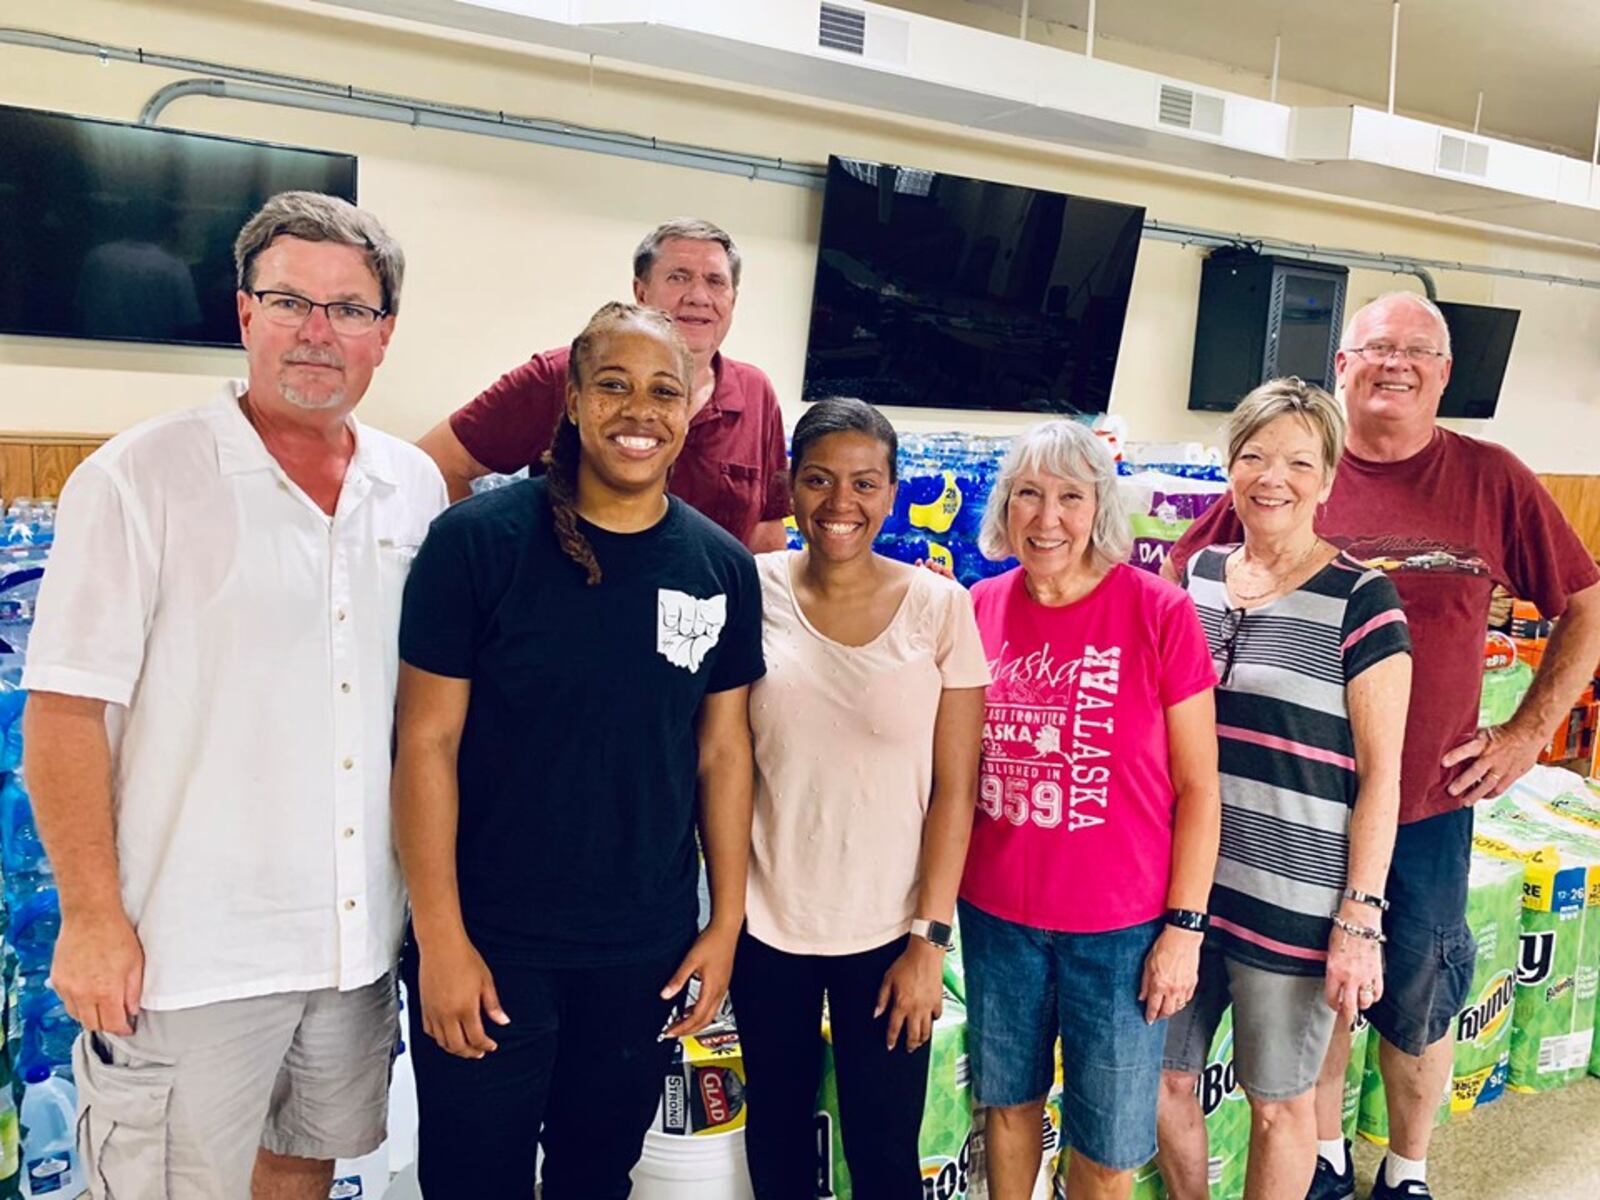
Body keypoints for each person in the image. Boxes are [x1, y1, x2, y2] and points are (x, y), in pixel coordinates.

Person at [22, 192, 446, 1199]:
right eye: (290, 300)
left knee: (303, 1167)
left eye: (349, 309)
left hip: (352, 941)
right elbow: (64, 713)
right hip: (188, 948)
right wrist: (90, 919)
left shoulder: (414, 489)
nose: (317, 331)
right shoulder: (139, 480)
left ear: (384, 334)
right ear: (245, 312)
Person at [1165, 292, 1600, 1200]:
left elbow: (1586, 606)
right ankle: (1323, 1160)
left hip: (1423, 807)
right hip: (1290, 814)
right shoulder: (1293, 468)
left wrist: (1529, 734)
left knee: (1414, 1000)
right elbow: (1182, 580)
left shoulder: (1493, 478)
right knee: (1318, 995)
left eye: (1417, 351)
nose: (1395, 364)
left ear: (1444, 374)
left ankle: (1406, 1169)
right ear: (1343, 367)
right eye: (1375, 348)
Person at [393, 301, 764, 1197]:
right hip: (492, 945)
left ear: (689, 410)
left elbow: (723, 753)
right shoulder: (477, 545)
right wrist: (440, 938)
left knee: (598, 1175)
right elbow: (426, 744)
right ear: (571, 400)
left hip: (643, 951)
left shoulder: (720, 566)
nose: (640, 412)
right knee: (473, 1176)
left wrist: (725, 924)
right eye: (614, 385)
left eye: (663, 392)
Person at [1154, 379, 1412, 1200]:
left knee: (1279, 1107)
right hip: (1178, 892)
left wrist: (1360, 919)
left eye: (1300, 461)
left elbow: (1382, 779)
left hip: (1293, 900)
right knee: (1160, 1084)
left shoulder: (1363, 599)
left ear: (1329, 478)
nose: (1274, 477)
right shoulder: (1190, 576)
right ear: (1230, 465)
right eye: (1255, 455)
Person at [732, 397, 989, 1199]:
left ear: (892, 489)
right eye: (818, 480)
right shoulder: (752, 586)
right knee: (775, 1135)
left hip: (888, 934)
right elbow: (723, 757)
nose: (840, 504)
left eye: (865, 483)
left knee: (883, 1154)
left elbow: (956, 791)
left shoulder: (940, 606)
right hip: (765, 923)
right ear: (790, 486)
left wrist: (928, 942)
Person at [959, 419, 1222, 1200]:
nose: (1048, 519)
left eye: (1071, 497)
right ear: (1004, 507)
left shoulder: (1159, 612)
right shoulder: (978, 606)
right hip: (997, 916)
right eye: (1029, 495)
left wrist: (1184, 927)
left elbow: (1201, 786)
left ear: (1100, 508)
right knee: (1006, 1107)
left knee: (1106, 1144)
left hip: (1121, 930)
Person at [418, 217, 791, 549]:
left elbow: (765, 532)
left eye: (715, 282)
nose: (698, 296)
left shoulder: (756, 394)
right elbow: (435, 464)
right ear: (641, 292)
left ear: (733, 300)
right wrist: (485, 565)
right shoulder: (562, 374)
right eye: (678, 277)